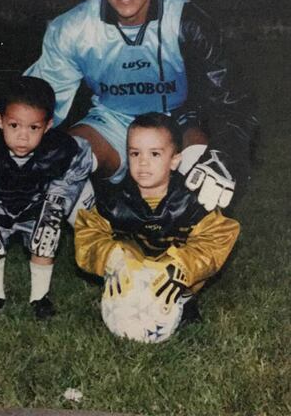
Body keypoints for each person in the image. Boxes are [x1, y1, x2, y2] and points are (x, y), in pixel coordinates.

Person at [0, 0, 257, 211]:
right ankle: (92, 230)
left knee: (205, 171)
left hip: (177, 120)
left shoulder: (188, 21)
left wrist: (225, 156)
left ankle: (189, 243)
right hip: (112, 119)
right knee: (63, 157)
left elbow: (230, 101)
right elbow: (42, 94)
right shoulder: (74, 28)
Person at [0, 77, 93, 318]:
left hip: (34, 206)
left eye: (33, 128)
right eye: (14, 126)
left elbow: (80, 161)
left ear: (48, 125)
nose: (23, 136)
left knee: (46, 238)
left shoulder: (61, 148)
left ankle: (40, 297)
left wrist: (54, 205)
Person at [74, 112, 240, 334]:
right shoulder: (113, 200)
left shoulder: (192, 200)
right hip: (130, 274)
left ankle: (185, 301)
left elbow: (219, 237)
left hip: (176, 278)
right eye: (135, 153)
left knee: (192, 258)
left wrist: (182, 267)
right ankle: (125, 302)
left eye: (154, 154)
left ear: (174, 160)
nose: (143, 162)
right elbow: (88, 234)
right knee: (120, 256)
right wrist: (111, 257)